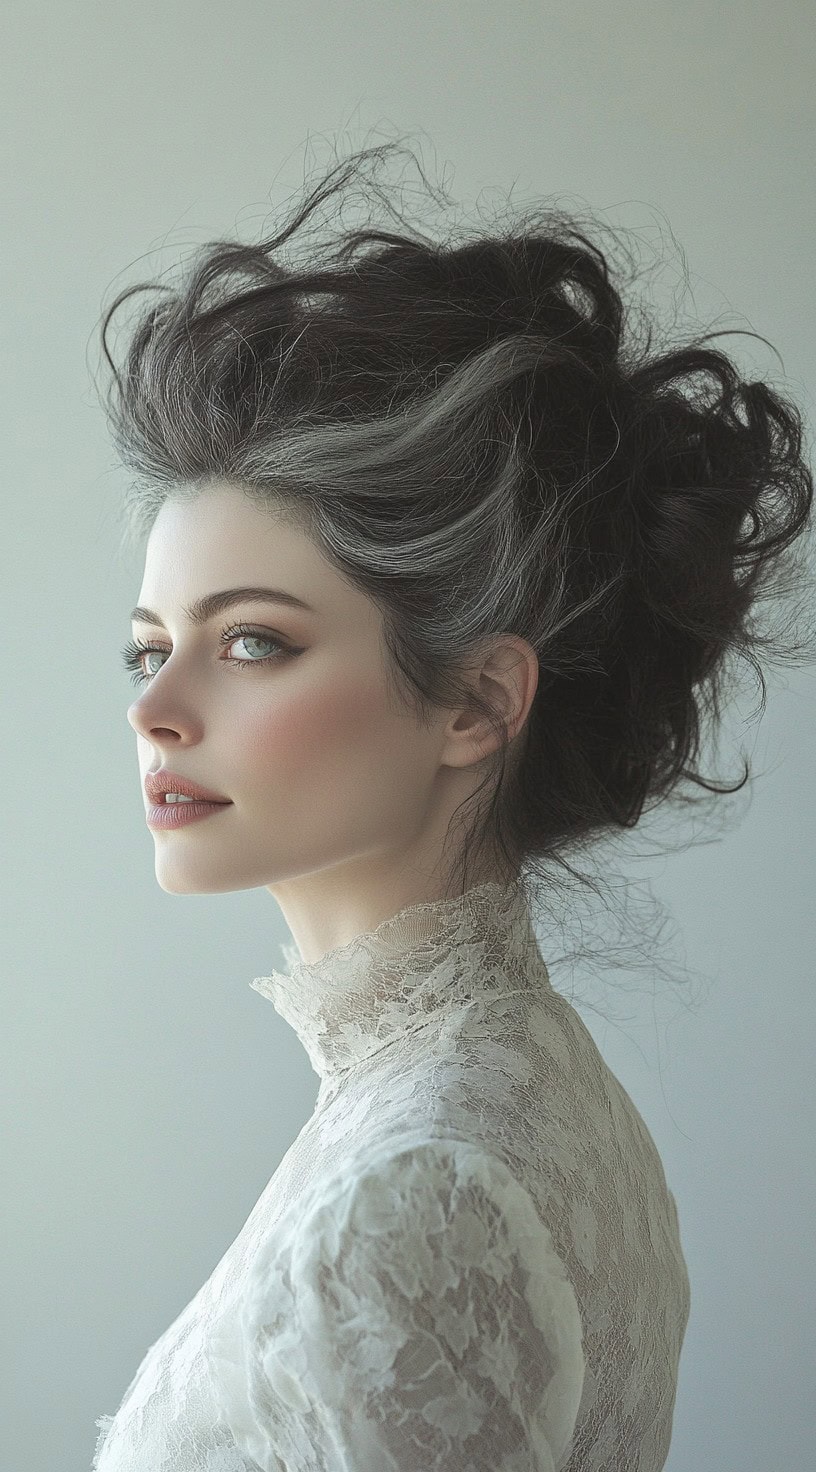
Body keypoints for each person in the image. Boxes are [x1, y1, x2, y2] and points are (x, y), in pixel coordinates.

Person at [90, 142, 814, 1471]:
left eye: (251, 641)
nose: (156, 709)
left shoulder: (414, 1191)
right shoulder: (525, 1092)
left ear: (477, 703)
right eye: (151, 647)